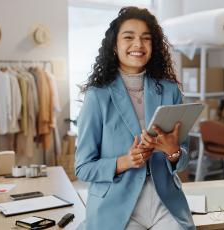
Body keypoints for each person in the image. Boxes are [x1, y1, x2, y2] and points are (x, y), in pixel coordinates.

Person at [75, 6, 194, 230]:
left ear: (153, 46)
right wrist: (123, 162)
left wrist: (172, 151)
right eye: (129, 37)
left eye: (146, 39)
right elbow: (82, 168)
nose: (138, 44)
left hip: (164, 202)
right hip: (116, 205)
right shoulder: (97, 96)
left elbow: (184, 160)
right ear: (114, 46)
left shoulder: (170, 91)